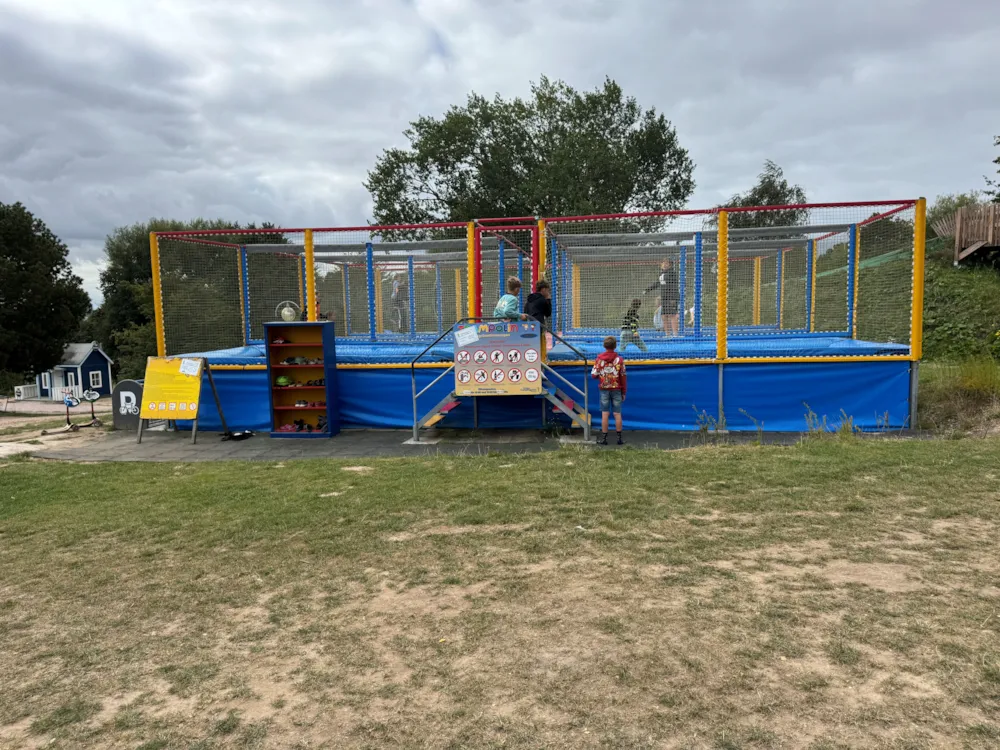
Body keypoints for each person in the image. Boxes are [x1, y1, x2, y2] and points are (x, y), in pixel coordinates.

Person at [591, 335, 627, 445]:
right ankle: (619, 438)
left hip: (604, 389)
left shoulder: (599, 360)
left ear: (604, 346)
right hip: (616, 389)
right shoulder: (620, 360)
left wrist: (601, 375)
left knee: (605, 414)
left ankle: (604, 439)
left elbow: (593, 375)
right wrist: (623, 391)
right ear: (615, 346)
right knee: (617, 414)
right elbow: (623, 376)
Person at [644, 258, 680, 336]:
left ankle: (675, 335)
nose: (664, 265)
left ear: (670, 265)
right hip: (664, 298)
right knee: (664, 316)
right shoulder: (661, 274)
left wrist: (673, 298)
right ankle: (667, 334)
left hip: (671, 298)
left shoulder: (672, 273)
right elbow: (657, 283)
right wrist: (647, 290)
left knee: (672, 315)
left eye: (666, 263)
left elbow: (674, 286)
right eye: (663, 263)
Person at [524, 279, 553, 349]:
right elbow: (548, 313)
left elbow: (525, 310)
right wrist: (548, 300)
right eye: (547, 290)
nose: (548, 292)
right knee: (538, 344)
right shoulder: (542, 300)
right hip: (538, 324)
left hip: (528, 324)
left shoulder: (529, 299)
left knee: (530, 343)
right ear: (543, 289)